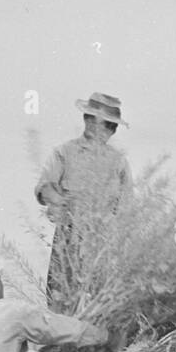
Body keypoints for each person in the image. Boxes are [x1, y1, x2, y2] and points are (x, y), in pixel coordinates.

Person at [34, 92, 132, 313]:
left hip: (104, 247)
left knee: (100, 308)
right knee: (61, 303)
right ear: (87, 119)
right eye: (97, 121)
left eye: (109, 125)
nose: (103, 129)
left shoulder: (119, 162)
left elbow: (128, 208)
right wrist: (60, 203)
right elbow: (45, 186)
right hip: (68, 241)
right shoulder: (64, 152)